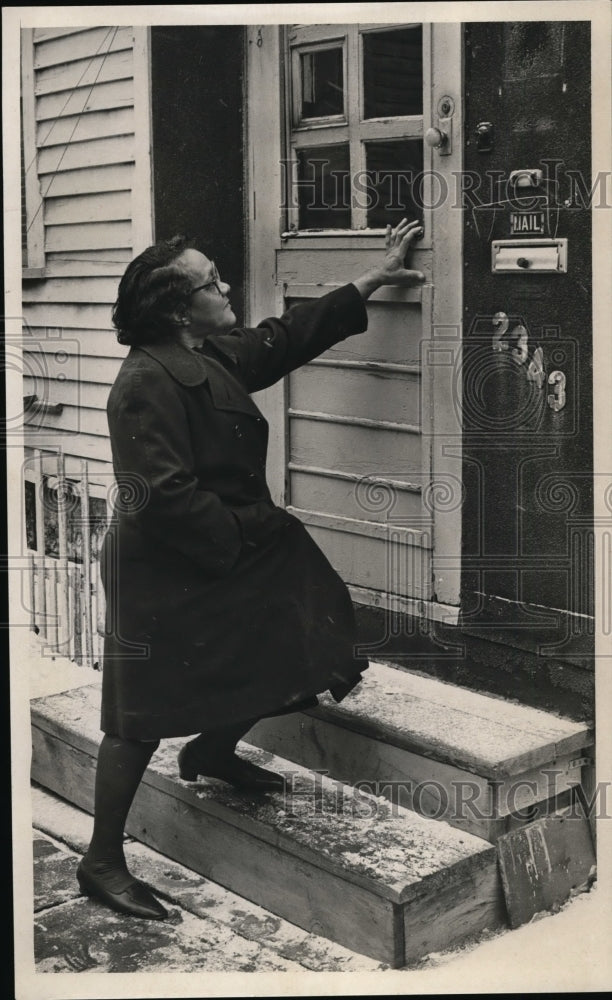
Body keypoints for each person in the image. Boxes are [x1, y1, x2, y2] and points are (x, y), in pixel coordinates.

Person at [76, 218, 425, 920]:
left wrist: (375, 276)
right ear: (180, 309)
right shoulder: (146, 382)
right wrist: (249, 535)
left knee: (299, 643)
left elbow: (284, 337)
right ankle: (102, 861)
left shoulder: (202, 354)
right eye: (212, 282)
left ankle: (210, 750)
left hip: (225, 546)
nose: (225, 286)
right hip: (166, 567)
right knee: (137, 717)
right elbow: (163, 499)